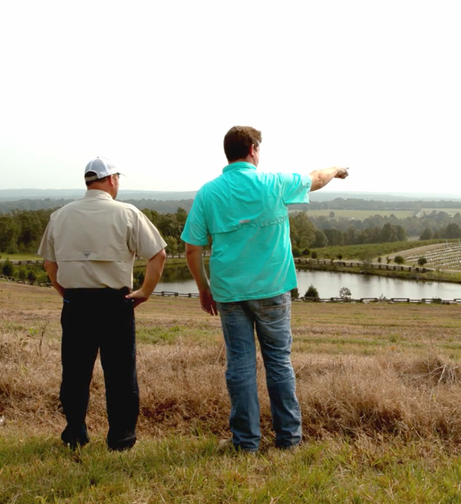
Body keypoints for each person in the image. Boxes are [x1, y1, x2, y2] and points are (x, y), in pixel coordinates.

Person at [181, 125, 348, 452]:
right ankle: (288, 440)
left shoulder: (208, 193)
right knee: (278, 362)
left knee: (240, 366)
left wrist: (204, 288)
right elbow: (316, 177)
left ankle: (245, 442)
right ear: (253, 149)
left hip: (229, 293)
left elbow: (192, 248)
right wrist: (338, 170)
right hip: (272, 289)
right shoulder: (274, 184)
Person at [38, 157, 167, 451]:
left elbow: (49, 264)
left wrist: (65, 293)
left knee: (74, 372)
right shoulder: (128, 213)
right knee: (121, 373)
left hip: (76, 303)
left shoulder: (60, 216)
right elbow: (157, 254)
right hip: (115, 303)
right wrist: (145, 291)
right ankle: (121, 438)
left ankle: (75, 432)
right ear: (111, 180)